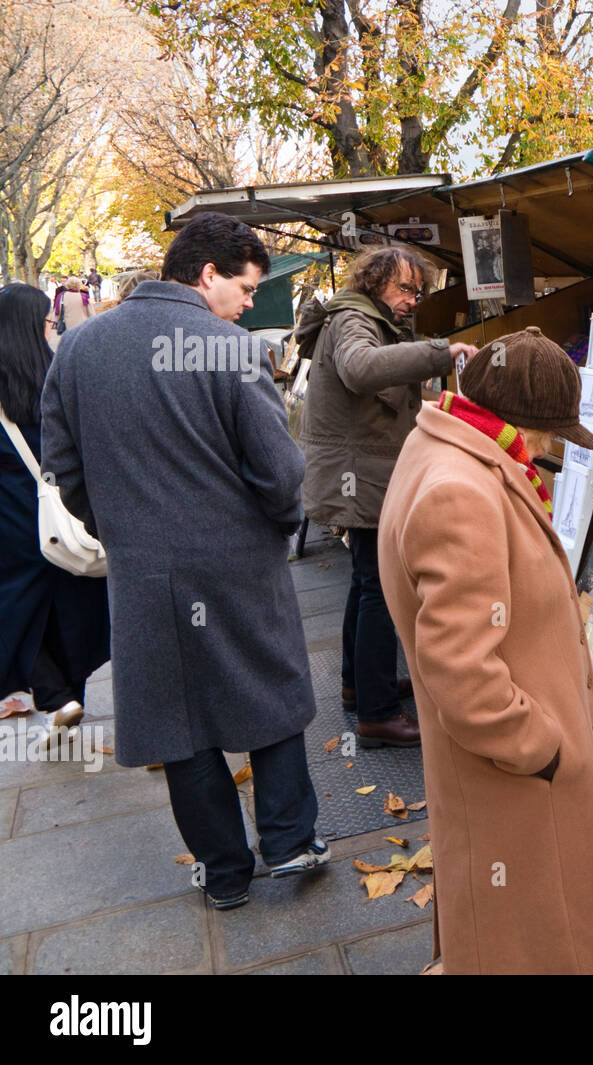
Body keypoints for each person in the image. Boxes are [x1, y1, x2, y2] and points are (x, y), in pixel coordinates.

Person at [40, 212, 328, 911]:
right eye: (246, 287)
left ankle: (224, 873)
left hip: (142, 572)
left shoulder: (77, 350)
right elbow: (280, 473)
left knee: (177, 718)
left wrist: (119, 525)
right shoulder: (229, 349)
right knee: (271, 692)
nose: (247, 302)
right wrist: (282, 526)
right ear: (207, 274)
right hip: (238, 563)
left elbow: (62, 466)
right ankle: (289, 840)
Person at [377, 325, 593, 974]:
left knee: (514, 942)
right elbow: (460, 669)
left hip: (513, 781)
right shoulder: (461, 492)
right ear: (518, 422)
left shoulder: (448, 446)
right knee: (538, 948)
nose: (551, 452)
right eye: (550, 435)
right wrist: (542, 748)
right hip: (518, 786)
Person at [297, 246, 476, 747]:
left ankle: (360, 686)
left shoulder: (362, 317)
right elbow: (360, 369)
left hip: (358, 472)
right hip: (360, 477)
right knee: (379, 587)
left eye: (417, 292)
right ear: (374, 282)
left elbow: (383, 395)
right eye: (403, 289)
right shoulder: (354, 318)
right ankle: (376, 713)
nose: (411, 300)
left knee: (365, 581)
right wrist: (444, 352)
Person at [0, 283, 110, 739]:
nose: (54, 327)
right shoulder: (60, 375)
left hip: (9, 522)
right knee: (72, 607)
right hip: (65, 516)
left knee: (16, 611)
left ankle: (53, 696)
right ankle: (67, 699)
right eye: (48, 321)